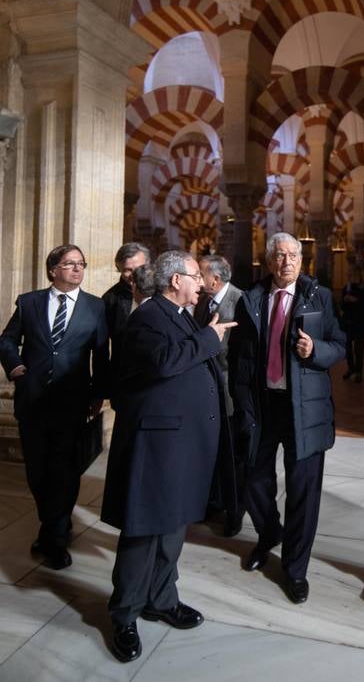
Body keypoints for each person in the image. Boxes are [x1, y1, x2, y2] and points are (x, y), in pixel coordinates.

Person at [101, 249, 236, 663]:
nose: (201, 283)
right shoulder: (147, 317)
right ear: (176, 280)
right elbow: (162, 363)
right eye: (195, 276)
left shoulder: (178, 315)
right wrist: (208, 340)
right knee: (144, 531)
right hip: (156, 445)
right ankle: (124, 614)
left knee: (172, 527)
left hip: (180, 443)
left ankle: (161, 598)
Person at [229, 232, 345, 604]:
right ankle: (268, 534)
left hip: (304, 409)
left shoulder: (319, 296)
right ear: (268, 260)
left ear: (302, 260)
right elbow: (239, 358)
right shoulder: (252, 300)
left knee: (303, 490)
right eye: (279, 255)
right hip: (263, 407)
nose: (287, 262)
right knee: (254, 480)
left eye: (293, 255)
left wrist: (316, 350)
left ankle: (295, 569)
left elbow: (339, 345)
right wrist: (242, 401)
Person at [0, 244, 109, 570]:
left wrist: (98, 395)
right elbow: (6, 340)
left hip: (72, 402)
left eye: (81, 264)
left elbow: (101, 356)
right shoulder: (29, 302)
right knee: (37, 470)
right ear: (53, 270)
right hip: (32, 401)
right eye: (69, 264)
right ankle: (53, 520)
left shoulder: (95, 307)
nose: (77, 269)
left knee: (64, 469)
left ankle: (55, 536)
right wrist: (15, 366)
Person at [194, 254, 244, 536]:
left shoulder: (239, 301)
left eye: (200, 274)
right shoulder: (203, 301)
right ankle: (212, 501)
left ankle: (235, 511)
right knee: (210, 451)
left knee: (232, 456)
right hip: (206, 392)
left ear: (216, 277)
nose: (198, 280)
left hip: (229, 393)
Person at [102, 243, 150, 383]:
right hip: (124, 378)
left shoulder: (163, 293)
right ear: (118, 269)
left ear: (148, 264)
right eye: (127, 270)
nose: (134, 275)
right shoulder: (109, 299)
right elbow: (102, 347)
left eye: (138, 268)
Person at [340, 267, 364, 382]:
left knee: (359, 348)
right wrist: (345, 300)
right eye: (350, 274)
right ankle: (350, 369)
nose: (351, 276)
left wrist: (356, 300)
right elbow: (342, 306)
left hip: (361, 321)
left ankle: (359, 371)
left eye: (353, 274)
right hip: (349, 321)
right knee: (348, 347)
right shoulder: (347, 287)